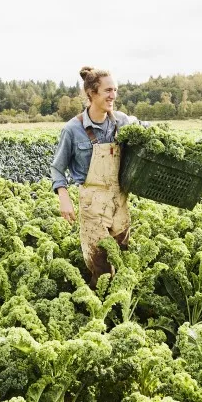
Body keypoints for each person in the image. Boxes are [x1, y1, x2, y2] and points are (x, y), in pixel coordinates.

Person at [50, 66, 147, 287]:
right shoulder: (73, 129)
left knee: (122, 254)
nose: (113, 96)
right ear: (92, 93)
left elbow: (146, 130)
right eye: (108, 91)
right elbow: (57, 168)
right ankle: (97, 306)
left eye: (115, 90)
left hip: (119, 199)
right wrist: (63, 198)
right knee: (101, 263)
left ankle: (119, 302)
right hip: (93, 202)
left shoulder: (121, 121)